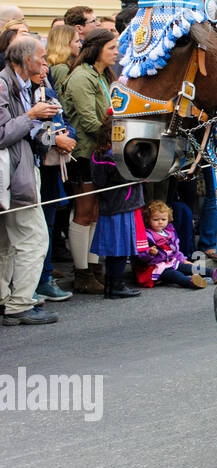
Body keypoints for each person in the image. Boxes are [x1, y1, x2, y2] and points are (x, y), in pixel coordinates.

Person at [0, 36, 60, 325]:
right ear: (26, 60)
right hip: (14, 175)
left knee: (8, 242)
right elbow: (2, 134)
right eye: (42, 58)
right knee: (34, 239)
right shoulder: (2, 85)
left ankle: (6, 301)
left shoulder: (33, 88)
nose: (46, 64)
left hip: (20, 171)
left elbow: (38, 139)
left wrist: (46, 124)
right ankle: (20, 303)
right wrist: (31, 115)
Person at [61, 28, 118, 293]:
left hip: (99, 151)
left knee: (95, 212)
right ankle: (82, 273)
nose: (116, 53)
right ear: (97, 50)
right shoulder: (82, 77)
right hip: (84, 152)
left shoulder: (101, 76)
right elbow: (88, 120)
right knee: (83, 213)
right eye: (112, 48)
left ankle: (95, 268)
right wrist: (114, 139)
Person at [32, 50, 76, 303]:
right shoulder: (22, 94)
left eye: (46, 62)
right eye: (40, 62)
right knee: (32, 229)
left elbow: (64, 120)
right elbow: (28, 129)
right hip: (32, 168)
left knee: (46, 225)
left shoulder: (47, 92)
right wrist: (53, 140)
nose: (45, 68)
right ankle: (34, 281)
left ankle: (44, 278)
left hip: (52, 168)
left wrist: (68, 136)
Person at [88, 118, 143, 299]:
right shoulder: (114, 157)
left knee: (114, 250)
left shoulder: (98, 155)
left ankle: (111, 285)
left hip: (110, 206)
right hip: (120, 206)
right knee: (119, 250)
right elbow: (129, 175)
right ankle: (116, 285)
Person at [135, 201, 213, 289]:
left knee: (189, 267)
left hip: (172, 262)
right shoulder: (146, 235)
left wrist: (183, 260)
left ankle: (213, 273)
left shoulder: (169, 233)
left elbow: (176, 251)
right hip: (156, 267)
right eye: (156, 220)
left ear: (168, 219)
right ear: (148, 220)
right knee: (175, 275)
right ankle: (190, 282)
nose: (160, 222)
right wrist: (149, 253)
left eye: (163, 219)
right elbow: (141, 256)